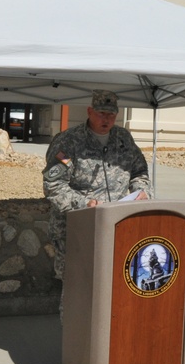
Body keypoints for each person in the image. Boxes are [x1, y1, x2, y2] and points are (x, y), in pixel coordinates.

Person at [43, 90, 152, 284]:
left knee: (114, 284)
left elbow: (139, 171)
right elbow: (54, 185)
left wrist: (140, 192)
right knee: (77, 288)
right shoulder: (68, 142)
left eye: (111, 114)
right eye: (101, 113)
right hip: (77, 229)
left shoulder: (124, 139)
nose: (106, 119)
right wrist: (85, 204)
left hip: (116, 226)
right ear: (90, 111)